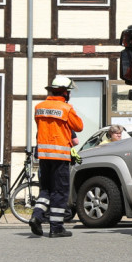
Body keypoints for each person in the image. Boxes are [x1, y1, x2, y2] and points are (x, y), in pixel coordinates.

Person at [31, 76, 85, 237]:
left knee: (46, 189)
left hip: (44, 156)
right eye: (69, 92)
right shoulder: (66, 108)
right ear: (64, 92)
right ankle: (56, 227)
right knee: (60, 191)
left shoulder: (39, 107)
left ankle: (37, 216)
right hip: (60, 156)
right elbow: (79, 127)